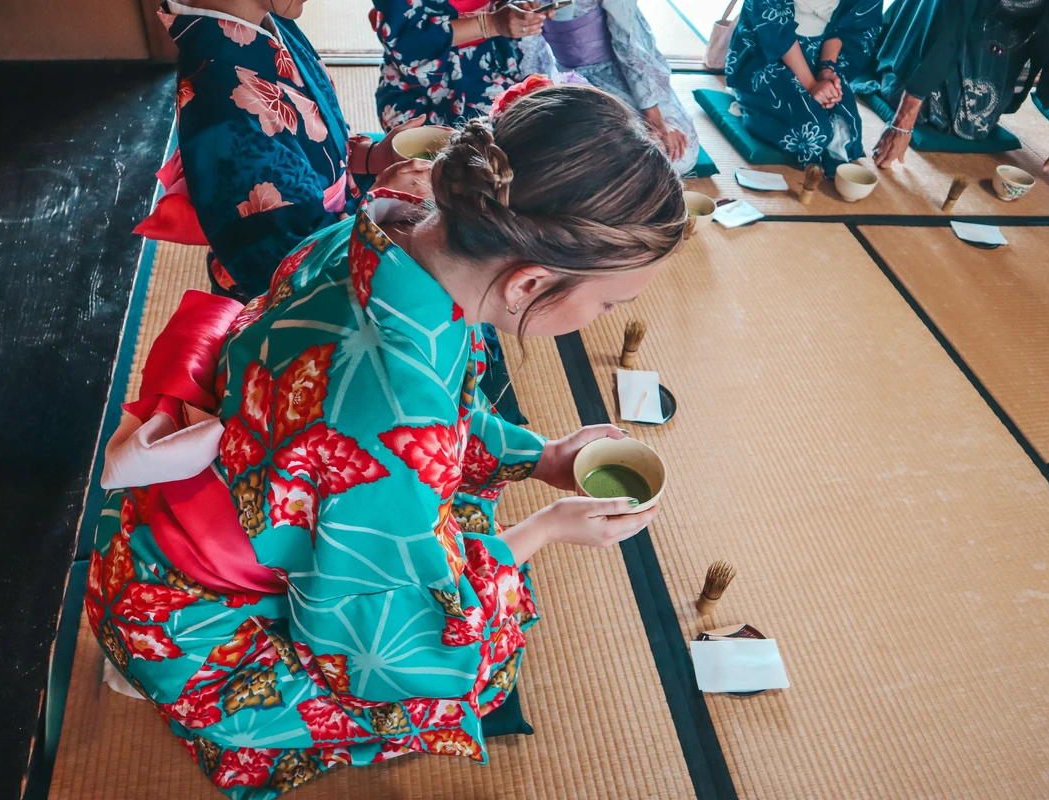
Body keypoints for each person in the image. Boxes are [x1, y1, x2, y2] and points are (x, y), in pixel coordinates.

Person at [89, 82, 685, 798]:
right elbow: (396, 643)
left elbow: (431, 433)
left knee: (446, 526)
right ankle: (169, 682)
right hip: (186, 620)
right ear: (528, 282)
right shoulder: (398, 408)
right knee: (466, 674)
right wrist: (542, 531)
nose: (605, 315)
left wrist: (539, 456)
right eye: (610, 301)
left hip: (190, 517)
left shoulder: (375, 233)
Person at [139, 0, 434, 301]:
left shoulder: (268, 20)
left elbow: (317, 135)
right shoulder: (220, 98)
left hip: (342, 224)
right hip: (308, 289)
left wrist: (374, 155)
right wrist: (382, 201)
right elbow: (294, 274)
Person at [866, 0, 1049, 186]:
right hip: (948, 12)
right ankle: (898, 54)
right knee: (926, 108)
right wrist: (902, 122)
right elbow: (951, 28)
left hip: (1018, 28)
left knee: (970, 125)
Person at [518, 0, 700, 174]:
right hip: (571, 80)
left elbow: (627, 41)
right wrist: (540, 97)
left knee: (678, 153)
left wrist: (655, 119)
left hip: (623, 71)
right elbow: (533, 53)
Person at [725, 0, 883, 176]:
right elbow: (773, 26)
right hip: (767, 53)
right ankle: (749, 101)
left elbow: (848, 25)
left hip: (819, 52)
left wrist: (826, 69)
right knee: (812, 132)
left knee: (847, 131)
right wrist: (810, 84)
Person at [371, 0, 550, 130]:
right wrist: (491, 23)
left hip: (491, 57)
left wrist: (516, 10)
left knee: (541, 118)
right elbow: (405, 41)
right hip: (419, 81)